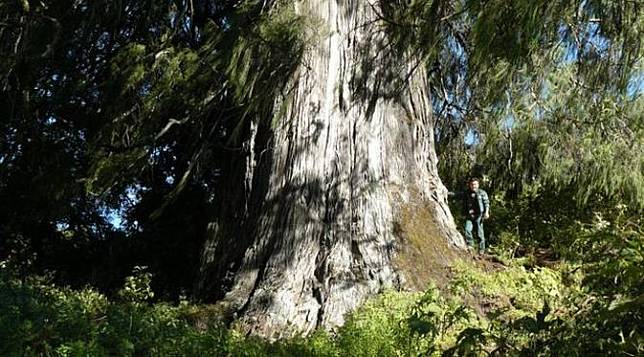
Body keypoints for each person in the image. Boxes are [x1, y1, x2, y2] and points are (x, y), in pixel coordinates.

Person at [462, 178, 490, 253]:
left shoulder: (482, 193)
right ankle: (470, 244)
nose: (473, 186)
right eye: (472, 184)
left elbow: (486, 203)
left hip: (479, 215)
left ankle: (481, 250)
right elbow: (458, 195)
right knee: (467, 229)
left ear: (478, 185)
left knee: (479, 233)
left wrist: (486, 212)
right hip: (470, 215)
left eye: (475, 184)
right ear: (470, 185)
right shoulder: (467, 193)